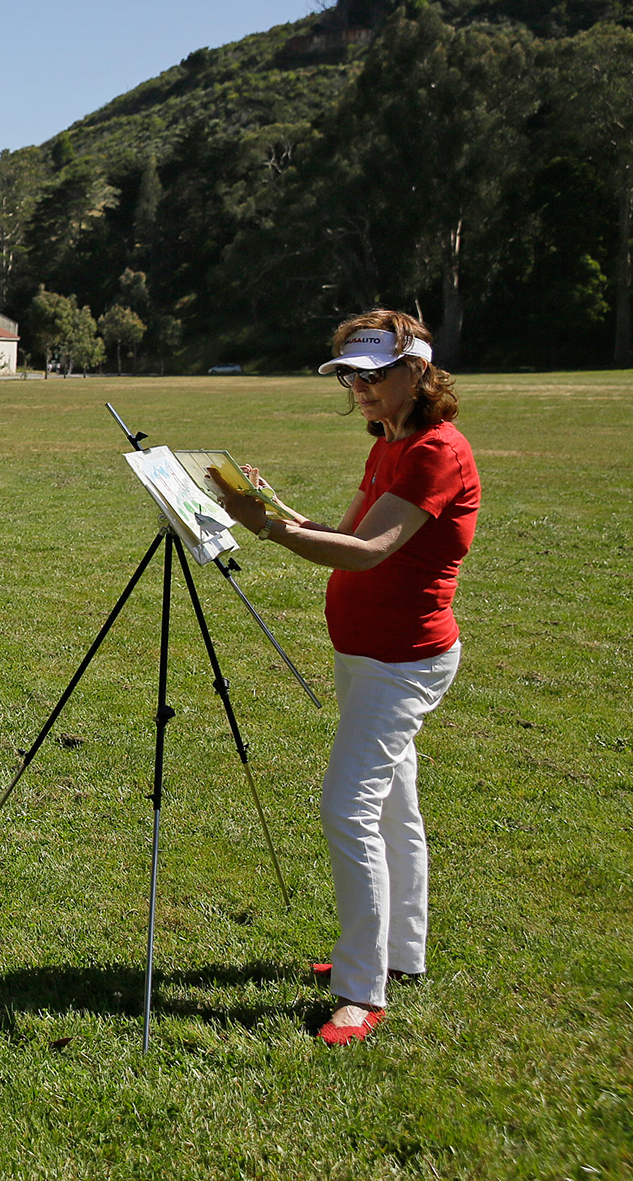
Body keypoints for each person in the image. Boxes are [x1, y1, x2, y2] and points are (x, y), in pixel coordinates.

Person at [216, 310, 480, 1047]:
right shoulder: (389, 444)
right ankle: (401, 953)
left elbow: (367, 551)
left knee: (348, 806)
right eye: (351, 375)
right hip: (366, 655)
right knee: (394, 805)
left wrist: (264, 527)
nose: (361, 387)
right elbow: (348, 530)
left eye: (376, 373)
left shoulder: (435, 451)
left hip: (404, 662)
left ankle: (362, 989)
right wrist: (276, 508)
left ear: (418, 372)